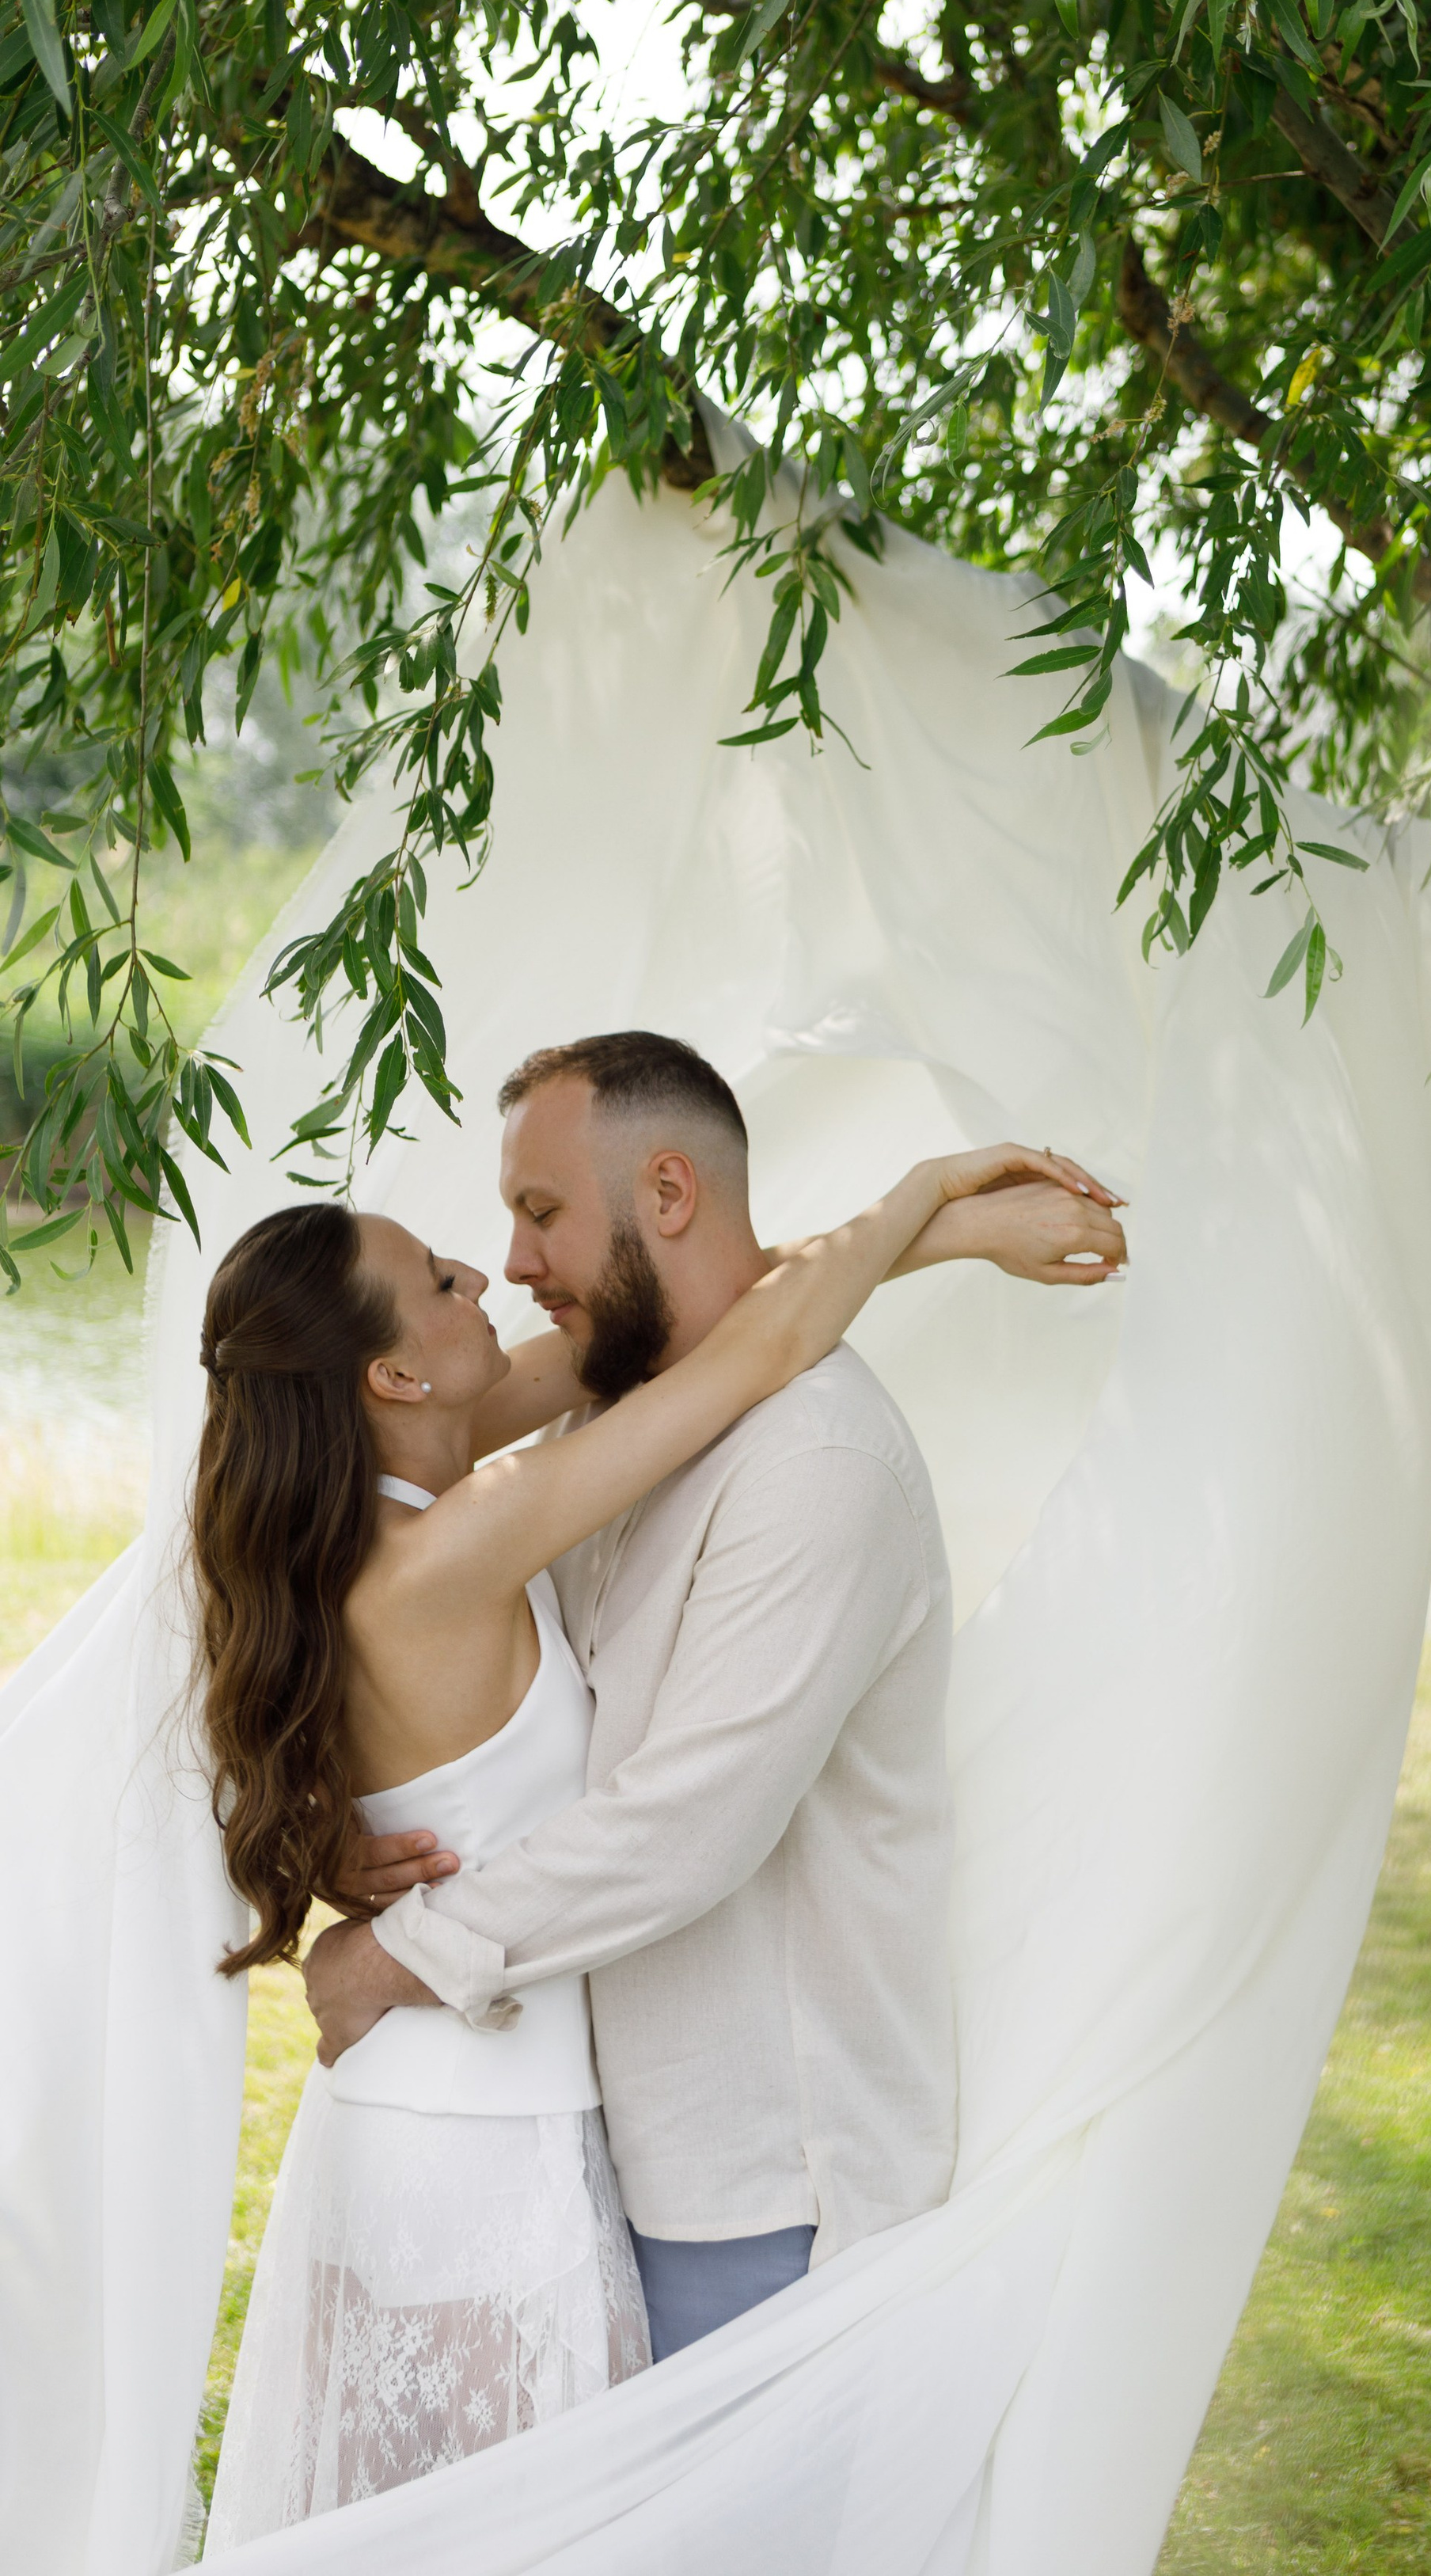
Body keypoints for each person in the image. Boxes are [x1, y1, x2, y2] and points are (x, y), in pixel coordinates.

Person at [194, 1046, 1122, 2543]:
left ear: (666, 1191)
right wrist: (924, 1207)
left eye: (534, 1214)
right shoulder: (492, 1497)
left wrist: (930, 1223)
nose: (499, 1273)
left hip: (750, 2176)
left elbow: (689, 1820)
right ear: (391, 1376)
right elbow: (741, 1333)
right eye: (448, 1273)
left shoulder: (793, 1456)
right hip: (526, 2143)